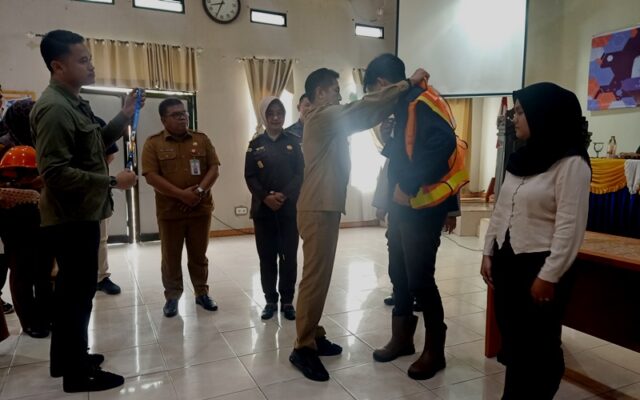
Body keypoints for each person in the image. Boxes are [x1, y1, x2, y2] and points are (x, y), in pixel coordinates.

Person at [289, 66, 429, 382]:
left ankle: (313, 333)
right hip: (317, 208)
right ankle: (303, 347)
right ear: (320, 93)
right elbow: (362, 109)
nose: (340, 96)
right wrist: (405, 84)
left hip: (322, 206)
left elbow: (365, 115)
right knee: (314, 278)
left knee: (318, 277)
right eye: (335, 90)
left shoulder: (325, 120)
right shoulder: (322, 116)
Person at [31, 29, 141, 392]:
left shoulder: (73, 102)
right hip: (70, 218)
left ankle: (67, 360)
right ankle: (76, 374)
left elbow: (93, 145)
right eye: (83, 60)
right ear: (57, 66)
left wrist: (124, 116)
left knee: (73, 294)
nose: (91, 66)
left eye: (90, 59)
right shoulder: (54, 108)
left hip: (80, 214)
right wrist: (112, 182)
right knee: (75, 296)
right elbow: (55, 173)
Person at [480, 82, 591, 399]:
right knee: (515, 341)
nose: (514, 118)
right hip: (508, 262)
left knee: (539, 346)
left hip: (540, 267)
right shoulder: (521, 158)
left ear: (544, 114)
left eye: (520, 112)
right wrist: (488, 251)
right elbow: (502, 208)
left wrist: (549, 275)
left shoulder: (571, 163)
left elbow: (570, 227)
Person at [363, 54, 459, 380]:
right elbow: (407, 151)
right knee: (399, 272)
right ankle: (402, 338)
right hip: (403, 208)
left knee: (420, 278)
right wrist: (388, 138)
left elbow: (444, 145)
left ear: (382, 84)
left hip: (423, 208)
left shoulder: (421, 101)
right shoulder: (404, 105)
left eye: (373, 93)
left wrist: (408, 184)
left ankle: (435, 349)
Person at [141, 98, 220, 318]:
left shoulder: (201, 139)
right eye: (176, 115)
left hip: (199, 209)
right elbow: (151, 176)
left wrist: (199, 192)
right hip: (170, 212)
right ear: (163, 119)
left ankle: (202, 293)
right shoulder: (153, 143)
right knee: (171, 257)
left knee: (199, 254)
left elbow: (214, 168)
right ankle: (172, 297)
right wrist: (181, 195)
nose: (182, 117)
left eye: (183, 113)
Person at [244, 97, 304, 321]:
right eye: (271, 114)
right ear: (264, 116)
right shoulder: (254, 144)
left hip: (289, 210)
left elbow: (299, 174)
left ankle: (287, 301)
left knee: (289, 257)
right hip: (263, 211)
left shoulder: (294, 142)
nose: (276, 117)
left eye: (280, 113)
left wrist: (283, 195)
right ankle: (270, 300)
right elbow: (249, 176)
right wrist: (265, 197)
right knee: (267, 258)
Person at [0, 99, 54, 339]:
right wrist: (23, 186)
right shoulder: (3, 145)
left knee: (44, 268)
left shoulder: (42, 142)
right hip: (12, 217)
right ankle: (29, 320)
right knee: (21, 269)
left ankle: (46, 315)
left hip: (43, 214)